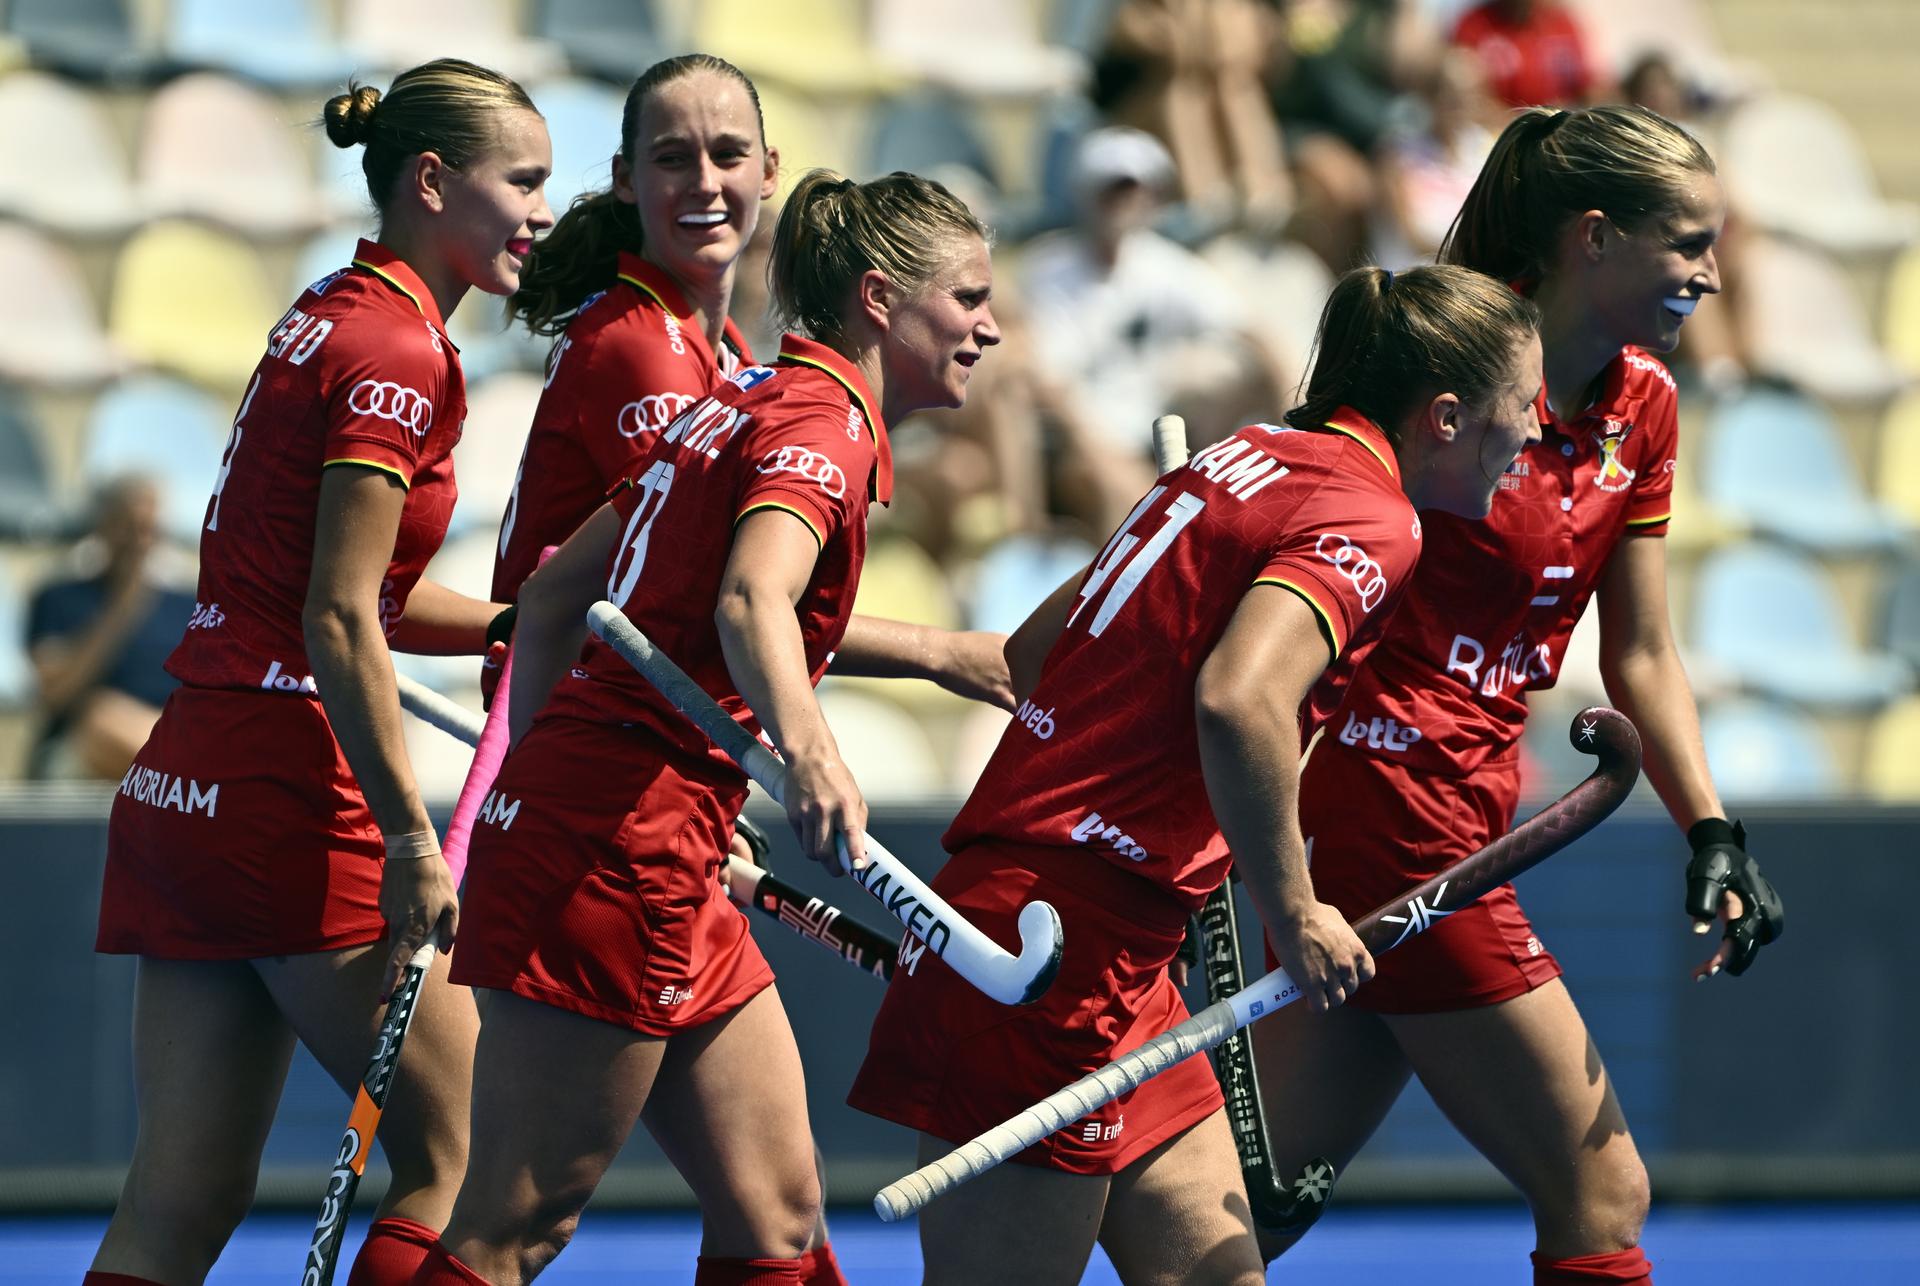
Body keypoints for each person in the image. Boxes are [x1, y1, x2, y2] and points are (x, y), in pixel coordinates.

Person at [849, 263, 1545, 1285]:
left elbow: (1037, 654)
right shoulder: (1376, 519)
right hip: (1054, 948)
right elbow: (1240, 701)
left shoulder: (1251, 454)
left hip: (1111, 945)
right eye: (1525, 405)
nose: (1535, 433)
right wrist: (1296, 908)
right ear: (1446, 416)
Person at [409, 168, 1002, 1285]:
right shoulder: (822, 428)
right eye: (967, 297)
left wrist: (525, 788)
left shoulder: (740, 397)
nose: (991, 325)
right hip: (616, 843)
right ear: (881, 299)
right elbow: (749, 597)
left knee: (775, 1214)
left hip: (645, 826)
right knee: (513, 1228)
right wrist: (813, 756)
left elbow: (550, 600)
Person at [1251, 106, 1786, 1286]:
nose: (1712, 272)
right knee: (1601, 1187)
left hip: (1466, 818)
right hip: (1388, 817)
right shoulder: (1441, 372)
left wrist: (1711, 825)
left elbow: (1639, 648)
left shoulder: (1643, 401)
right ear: (1595, 237)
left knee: (1250, 1206)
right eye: (1688, 243)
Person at [85, 60, 552, 1286]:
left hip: (188, 780)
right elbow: (341, 621)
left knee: (177, 1200)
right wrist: (410, 832)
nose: (542, 212)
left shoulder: (330, 308)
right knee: (468, 1157)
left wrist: (513, 626)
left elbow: (357, 595)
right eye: (525, 181)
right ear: (434, 181)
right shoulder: (403, 350)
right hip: (289, 792)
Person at [26, 475, 195, 780]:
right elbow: (55, 693)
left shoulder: (187, 605)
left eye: (147, 529)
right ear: (101, 527)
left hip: (172, 734)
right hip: (84, 745)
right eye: (126, 527)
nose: (137, 541)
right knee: (103, 713)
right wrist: (123, 605)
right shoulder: (60, 599)